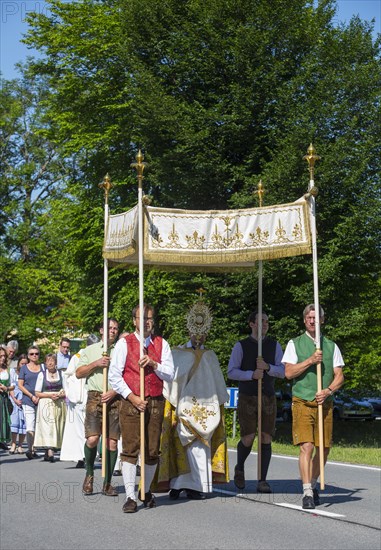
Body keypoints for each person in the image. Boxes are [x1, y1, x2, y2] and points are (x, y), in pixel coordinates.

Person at [156, 298, 229, 500]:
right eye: (195, 330)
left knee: (200, 449)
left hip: (206, 411)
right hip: (182, 408)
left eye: (202, 331)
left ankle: (198, 486)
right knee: (181, 447)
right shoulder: (177, 353)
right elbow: (172, 380)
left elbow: (217, 385)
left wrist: (217, 406)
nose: (199, 335)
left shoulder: (210, 355)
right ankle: (178, 485)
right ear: (189, 330)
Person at [109, 303, 175, 513]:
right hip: (131, 402)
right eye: (141, 318)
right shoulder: (124, 344)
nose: (146, 322)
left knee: (152, 450)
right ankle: (129, 497)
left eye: (149, 318)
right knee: (130, 448)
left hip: (155, 401)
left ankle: (144, 490)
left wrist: (154, 365)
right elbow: (114, 376)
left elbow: (171, 373)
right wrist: (132, 397)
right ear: (134, 321)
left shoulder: (161, 344)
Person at [282, 304, 344, 510]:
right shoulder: (295, 344)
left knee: (324, 448)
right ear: (304, 320)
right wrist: (310, 360)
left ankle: (315, 481)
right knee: (306, 446)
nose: (312, 321)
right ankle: (307, 490)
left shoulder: (331, 346)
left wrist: (328, 391)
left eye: (316, 318)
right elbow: (289, 373)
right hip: (302, 400)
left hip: (324, 402)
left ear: (322, 321)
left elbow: (339, 376)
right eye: (309, 318)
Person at [227, 310, 285, 493]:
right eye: (260, 321)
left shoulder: (274, 345)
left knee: (266, 436)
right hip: (247, 396)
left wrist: (267, 368)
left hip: (267, 395)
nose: (265, 324)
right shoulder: (241, 346)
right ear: (251, 324)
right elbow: (231, 371)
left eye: (266, 321)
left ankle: (262, 480)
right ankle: (240, 467)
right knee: (248, 437)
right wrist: (251, 374)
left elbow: (283, 371)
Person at [76, 318, 120, 497]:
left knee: (111, 442)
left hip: (114, 396)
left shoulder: (120, 350)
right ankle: (89, 474)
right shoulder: (90, 350)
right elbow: (79, 373)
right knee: (93, 439)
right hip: (95, 396)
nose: (113, 331)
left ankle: (108, 482)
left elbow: (127, 376)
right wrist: (96, 364)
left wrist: (114, 391)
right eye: (109, 328)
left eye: (115, 328)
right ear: (101, 330)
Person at [60, 334, 100, 468]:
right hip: (78, 398)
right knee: (79, 430)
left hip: (92, 394)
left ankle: (90, 456)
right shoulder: (77, 357)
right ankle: (81, 456)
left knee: (91, 429)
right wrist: (71, 393)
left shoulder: (98, 354)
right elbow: (68, 375)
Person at [34, 353, 66, 463]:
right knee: (48, 427)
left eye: (52, 360)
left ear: (56, 362)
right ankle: (50, 450)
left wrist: (61, 395)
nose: (50, 363)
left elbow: (66, 390)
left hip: (58, 403)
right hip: (45, 404)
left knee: (56, 426)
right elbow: (37, 393)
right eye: (48, 361)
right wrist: (50, 395)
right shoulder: (42, 375)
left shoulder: (62, 374)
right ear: (45, 363)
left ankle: (50, 450)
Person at [18, 345, 44, 459]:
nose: (34, 356)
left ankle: (36, 447)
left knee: (39, 425)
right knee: (30, 425)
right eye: (32, 354)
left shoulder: (43, 367)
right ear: (28, 356)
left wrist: (40, 396)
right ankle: (30, 449)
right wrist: (31, 395)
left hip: (41, 399)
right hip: (28, 399)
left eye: (36, 354)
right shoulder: (24, 368)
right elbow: (20, 385)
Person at [9, 354, 28, 454]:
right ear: (18, 363)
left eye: (25, 363)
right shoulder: (13, 372)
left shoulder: (28, 373)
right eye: (22, 363)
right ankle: (13, 444)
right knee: (14, 421)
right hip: (14, 398)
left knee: (23, 422)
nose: (24, 365)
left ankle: (20, 445)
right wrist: (15, 400)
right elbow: (11, 387)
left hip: (24, 398)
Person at [0, 345, 15, 450]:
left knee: (3, 420)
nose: (3, 358)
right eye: (0, 356)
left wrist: (6, 388)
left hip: (4, 399)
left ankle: (2, 441)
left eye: (4, 356)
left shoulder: (9, 370)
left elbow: (13, 386)